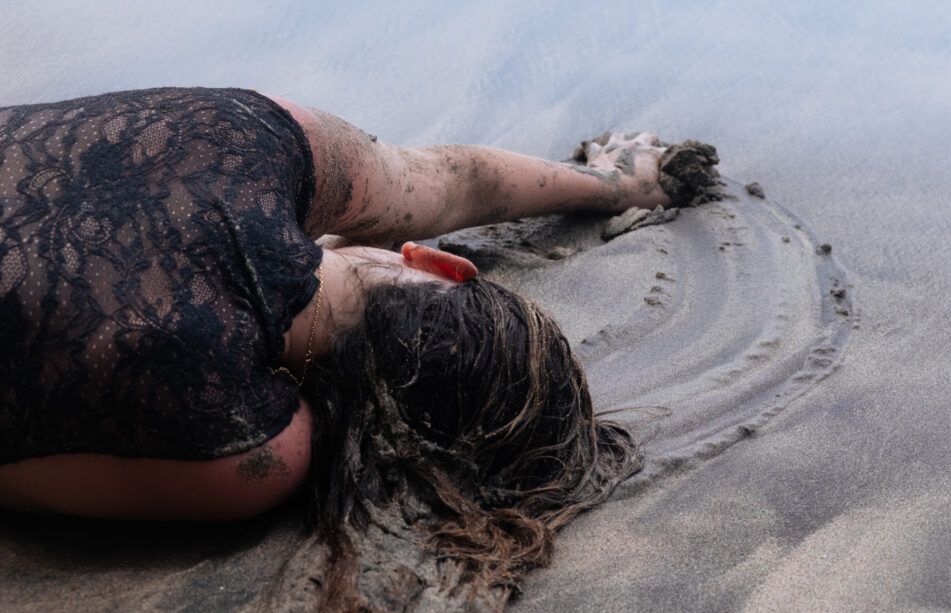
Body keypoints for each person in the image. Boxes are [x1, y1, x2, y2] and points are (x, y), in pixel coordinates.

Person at [0, 87, 671, 522]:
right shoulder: (246, 448)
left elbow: (452, 180)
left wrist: (615, 184)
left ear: (440, 260)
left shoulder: (264, 139)